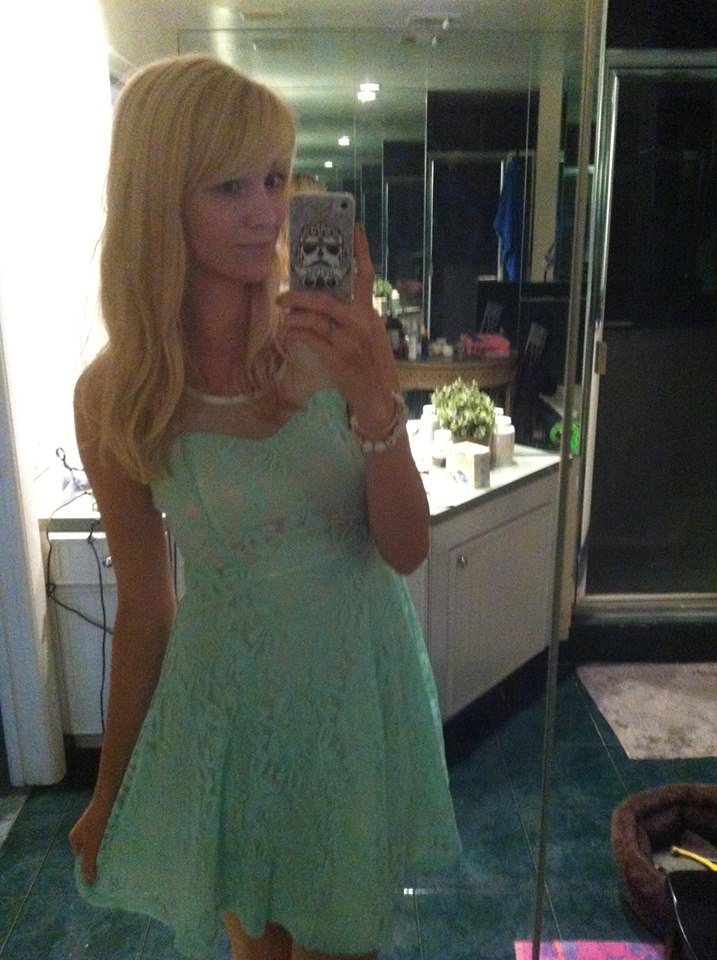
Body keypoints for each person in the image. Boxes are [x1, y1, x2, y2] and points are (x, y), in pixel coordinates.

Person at [68, 54, 460, 960]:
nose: (268, 210)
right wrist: (109, 787)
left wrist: (376, 399)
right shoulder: (117, 393)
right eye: (230, 185)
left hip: (345, 691)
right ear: (158, 198)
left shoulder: (325, 345)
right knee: (258, 951)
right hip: (228, 707)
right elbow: (146, 606)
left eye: (276, 179)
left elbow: (405, 549)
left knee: (336, 946)